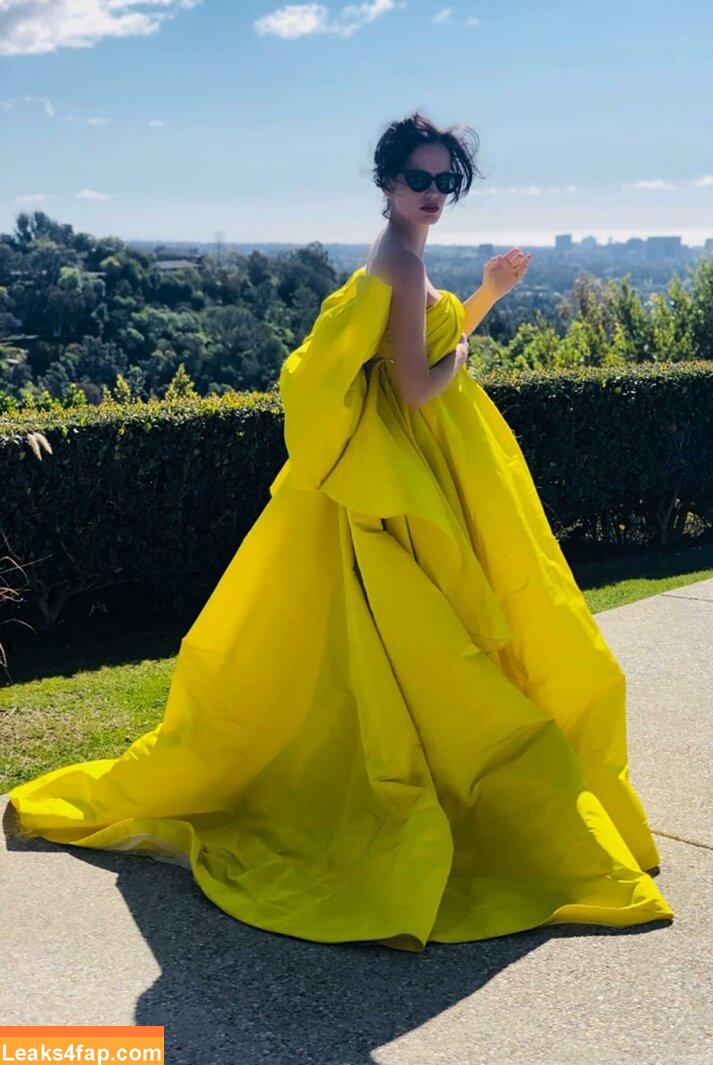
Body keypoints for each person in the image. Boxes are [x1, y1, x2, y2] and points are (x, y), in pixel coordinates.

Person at [8, 111, 674, 952]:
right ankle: (467, 794)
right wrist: (466, 355)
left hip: (422, 469)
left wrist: (486, 297)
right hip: (418, 470)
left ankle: (446, 775)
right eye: (419, 179)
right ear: (388, 181)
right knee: (448, 639)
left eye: (445, 181)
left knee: (425, 643)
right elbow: (420, 384)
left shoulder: (398, 253)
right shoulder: (401, 259)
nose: (434, 193)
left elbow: (406, 357)